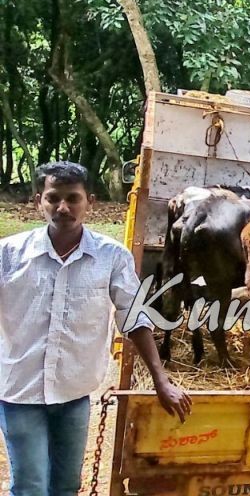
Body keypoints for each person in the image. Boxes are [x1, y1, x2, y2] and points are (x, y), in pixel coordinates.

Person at [0, 161, 191, 496]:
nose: (63, 207)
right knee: (31, 486)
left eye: (73, 198)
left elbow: (133, 318)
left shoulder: (111, 257)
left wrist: (161, 380)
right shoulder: (9, 255)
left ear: (90, 201)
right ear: (38, 201)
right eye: (53, 198)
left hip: (74, 393)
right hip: (19, 391)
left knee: (66, 486)